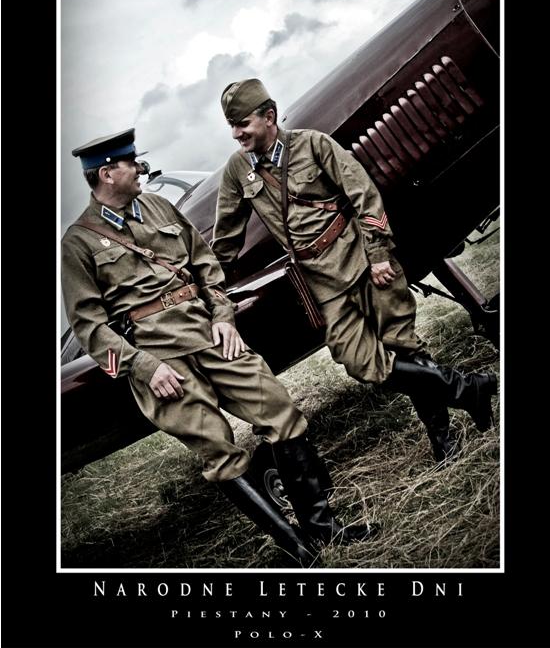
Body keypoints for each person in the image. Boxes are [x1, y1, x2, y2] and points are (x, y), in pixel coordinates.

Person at [61, 128, 376, 568]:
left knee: (280, 411)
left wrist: (224, 317)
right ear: (107, 174)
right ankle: (299, 550)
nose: (140, 168)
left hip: (209, 334)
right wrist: (143, 368)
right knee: (220, 453)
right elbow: (90, 328)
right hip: (161, 361)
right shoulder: (77, 243)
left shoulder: (160, 207)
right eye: (131, 163)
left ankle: (324, 528)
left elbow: (206, 266)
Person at [212, 79, 498, 463]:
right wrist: (207, 289)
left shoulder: (313, 145)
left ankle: (443, 440)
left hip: (363, 259)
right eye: (231, 126)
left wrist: (378, 254)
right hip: (322, 281)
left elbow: (364, 194)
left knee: (403, 345)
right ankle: (467, 388)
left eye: (242, 124)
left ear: (269, 116)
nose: (236, 134)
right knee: (357, 359)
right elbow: (225, 243)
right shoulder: (238, 170)